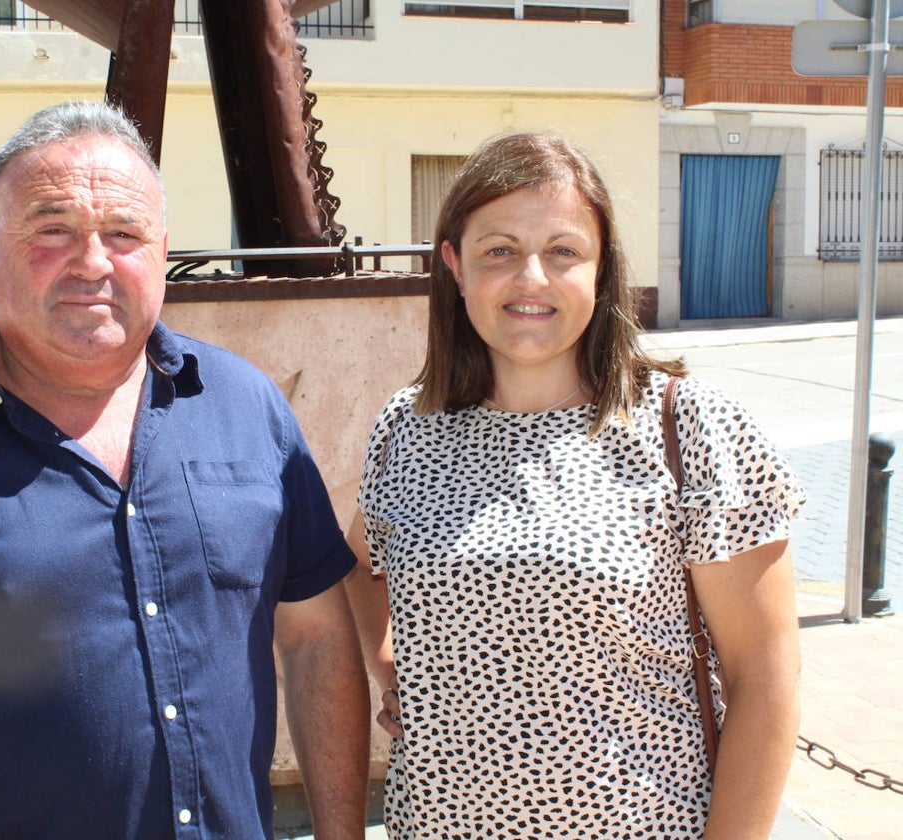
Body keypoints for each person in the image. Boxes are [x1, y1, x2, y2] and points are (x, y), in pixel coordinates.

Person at [0, 100, 369, 839]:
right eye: (52, 231)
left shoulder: (249, 408)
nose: (93, 263)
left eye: (124, 234)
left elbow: (316, 638)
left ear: (162, 252)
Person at [344, 132, 805, 838]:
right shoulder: (409, 428)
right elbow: (361, 562)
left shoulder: (689, 426)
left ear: (601, 268)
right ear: (455, 266)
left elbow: (765, 682)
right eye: (498, 249)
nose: (531, 277)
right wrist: (392, 671)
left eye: (563, 251)